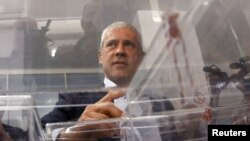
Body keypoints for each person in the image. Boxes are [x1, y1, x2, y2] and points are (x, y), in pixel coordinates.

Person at [42, 21, 174, 141]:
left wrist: (192, 128)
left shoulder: (162, 105)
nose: (120, 51)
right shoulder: (75, 99)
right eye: (111, 44)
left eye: (129, 45)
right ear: (101, 56)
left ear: (141, 58)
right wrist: (75, 131)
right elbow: (37, 133)